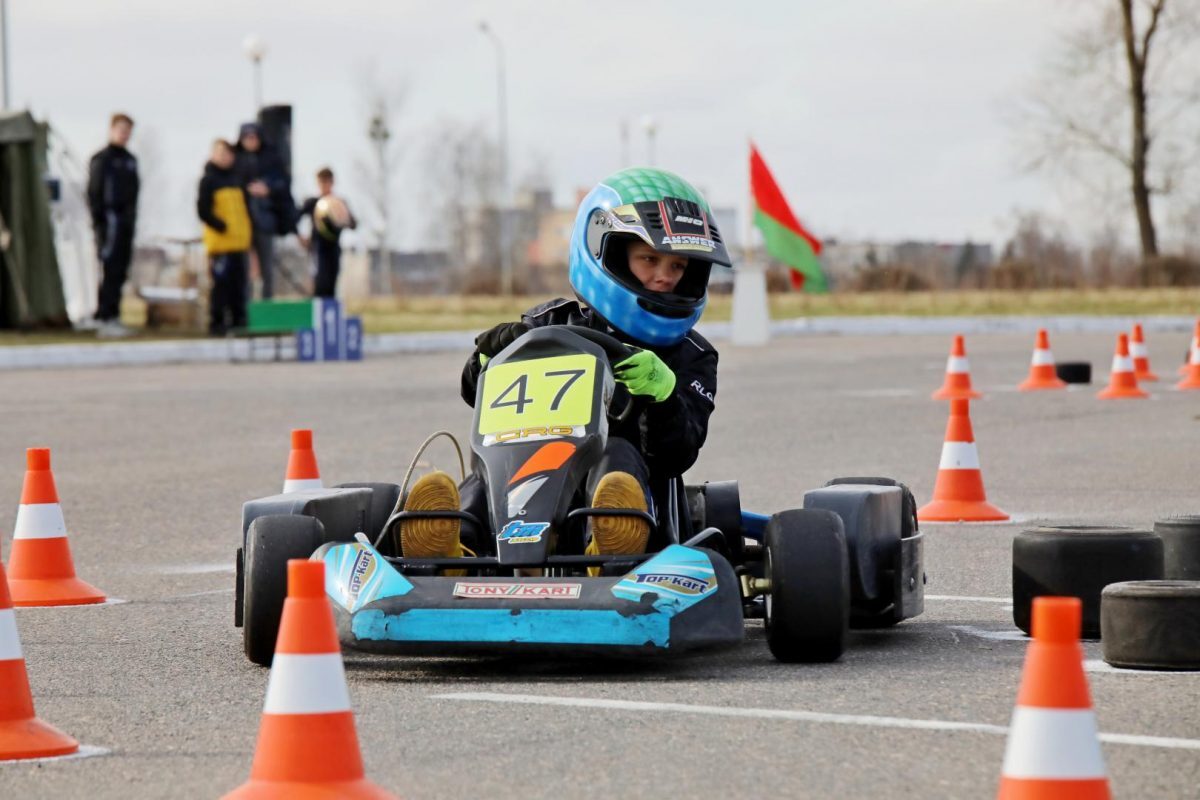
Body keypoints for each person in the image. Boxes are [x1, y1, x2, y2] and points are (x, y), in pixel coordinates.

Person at [397, 167, 732, 564]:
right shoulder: (548, 323)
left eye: (677, 267)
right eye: (649, 259)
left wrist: (663, 397)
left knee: (616, 456)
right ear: (606, 254)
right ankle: (454, 546)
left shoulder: (691, 354)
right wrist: (486, 359)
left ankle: (609, 542)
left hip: (638, 495)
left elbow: (678, 454)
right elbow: (475, 394)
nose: (664, 277)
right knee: (488, 473)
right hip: (530, 467)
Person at [86, 112, 139, 336]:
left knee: (120, 271)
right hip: (109, 222)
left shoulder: (130, 160)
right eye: (121, 129)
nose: (124, 134)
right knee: (109, 268)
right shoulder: (102, 159)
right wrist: (100, 222)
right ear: (111, 130)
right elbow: (94, 193)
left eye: (128, 130)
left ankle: (111, 313)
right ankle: (106, 316)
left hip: (126, 222)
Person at [196, 139, 252, 335]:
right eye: (220, 153)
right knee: (220, 286)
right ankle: (217, 323)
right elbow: (203, 211)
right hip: (220, 244)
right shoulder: (208, 180)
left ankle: (239, 321)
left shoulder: (238, 180)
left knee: (239, 286)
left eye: (228, 153)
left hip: (239, 242)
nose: (224, 157)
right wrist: (221, 226)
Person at [234, 122, 290, 299]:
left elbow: (284, 183)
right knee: (244, 268)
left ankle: (267, 305)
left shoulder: (271, 158)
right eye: (247, 137)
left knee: (267, 268)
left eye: (253, 137)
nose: (250, 141)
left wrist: (268, 188)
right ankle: (245, 307)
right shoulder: (236, 160)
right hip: (241, 221)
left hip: (265, 221)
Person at [297, 167, 356, 298]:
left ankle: (329, 313)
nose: (324, 186)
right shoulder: (312, 202)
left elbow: (353, 224)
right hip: (317, 247)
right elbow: (295, 218)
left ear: (332, 182)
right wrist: (300, 237)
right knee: (320, 281)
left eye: (327, 182)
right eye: (321, 182)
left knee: (332, 282)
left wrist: (343, 218)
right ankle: (317, 312)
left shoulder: (339, 202)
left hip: (334, 247)